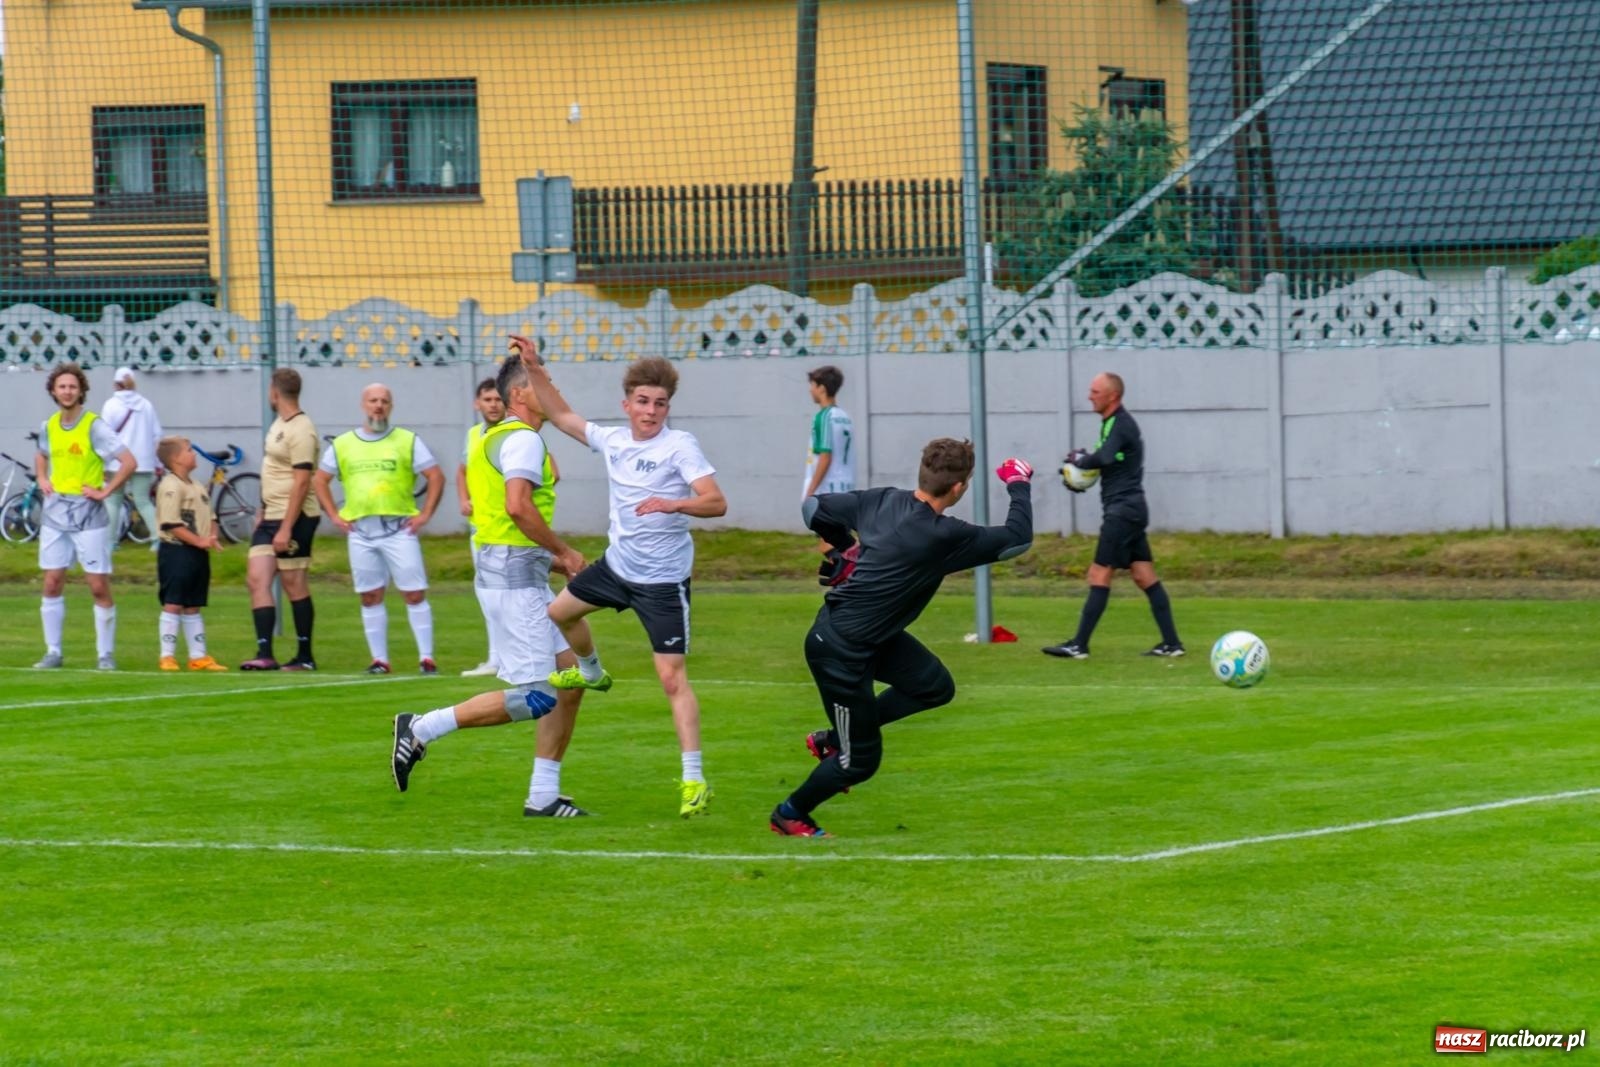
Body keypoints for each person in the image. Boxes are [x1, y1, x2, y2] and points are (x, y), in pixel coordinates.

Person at [770, 439, 1034, 837]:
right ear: (959, 488)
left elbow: (814, 508)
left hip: (870, 637)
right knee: (859, 761)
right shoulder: (944, 535)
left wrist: (842, 550)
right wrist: (1018, 483)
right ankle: (790, 813)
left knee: (933, 686)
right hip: (840, 652)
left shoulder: (882, 500)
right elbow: (1018, 539)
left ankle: (833, 738)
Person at [516, 337, 728, 819]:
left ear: (667, 407)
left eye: (660, 403)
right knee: (559, 612)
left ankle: (694, 780)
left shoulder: (680, 446)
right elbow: (561, 414)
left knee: (671, 679)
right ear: (626, 404)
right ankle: (591, 670)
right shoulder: (612, 439)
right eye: (643, 402)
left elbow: (716, 502)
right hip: (618, 567)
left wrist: (673, 503)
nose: (651, 411)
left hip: (662, 582)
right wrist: (533, 367)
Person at [390, 355, 595, 816]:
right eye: (541, 382)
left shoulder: (499, 436)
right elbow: (519, 508)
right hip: (512, 582)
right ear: (520, 395)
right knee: (538, 696)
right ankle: (422, 728)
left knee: (570, 682)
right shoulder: (521, 439)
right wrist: (564, 553)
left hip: (515, 573)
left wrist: (550, 560)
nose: (551, 390)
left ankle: (543, 796)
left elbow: (508, 518)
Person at [1042, 371, 1184, 661]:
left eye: (1095, 391)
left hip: (1123, 512)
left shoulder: (1120, 423)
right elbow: (1108, 458)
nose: (1089, 396)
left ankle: (1079, 645)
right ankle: (1172, 644)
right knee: (1144, 576)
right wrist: (1084, 466)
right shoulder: (1112, 424)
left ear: (1113, 396)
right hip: (1130, 510)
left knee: (1099, 573)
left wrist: (1079, 462)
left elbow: (1104, 457)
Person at [313, 383, 446, 675]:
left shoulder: (407, 440)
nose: (378, 406)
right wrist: (334, 515)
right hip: (360, 531)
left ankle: (427, 658)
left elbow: (435, 476)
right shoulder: (344, 443)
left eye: (384, 401)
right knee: (370, 594)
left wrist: (425, 515)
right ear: (363, 405)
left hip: (399, 528)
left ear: (391, 406)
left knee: (413, 592)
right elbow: (320, 479)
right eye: (373, 401)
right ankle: (380, 660)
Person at [32, 363, 136, 670]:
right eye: (62, 386)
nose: (67, 391)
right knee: (52, 582)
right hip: (54, 514)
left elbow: (128, 461)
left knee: (98, 586)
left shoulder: (95, 426)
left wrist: (105, 491)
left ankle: (105, 655)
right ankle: (53, 652)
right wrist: (41, 478)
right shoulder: (48, 425)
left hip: (88, 514)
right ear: (53, 391)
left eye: (72, 387)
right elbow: (41, 453)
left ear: (81, 391)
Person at [241, 368, 321, 671]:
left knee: (293, 582)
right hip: (270, 515)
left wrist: (287, 527)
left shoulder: (302, 428)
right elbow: (273, 470)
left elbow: (301, 482)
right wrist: (262, 508)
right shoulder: (279, 424)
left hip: (295, 517)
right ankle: (265, 653)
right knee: (256, 578)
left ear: (274, 392)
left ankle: (305, 657)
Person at [153, 435, 226, 671]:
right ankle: (167, 655)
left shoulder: (197, 486)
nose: (194, 453)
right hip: (176, 551)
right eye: (189, 450)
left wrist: (211, 537)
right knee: (173, 601)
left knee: (193, 603)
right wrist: (199, 540)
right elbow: (171, 524)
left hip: (197, 552)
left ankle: (198, 656)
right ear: (176, 459)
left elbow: (211, 516)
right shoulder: (171, 486)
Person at [457, 376, 511, 678]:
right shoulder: (473, 434)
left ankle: (515, 656)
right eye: (487, 399)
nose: (493, 405)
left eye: (498, 399)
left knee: (510, 597)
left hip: (506, 529)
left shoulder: (513, 434)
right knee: (487, 596)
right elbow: (462, 471)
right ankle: (495, 658)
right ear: (477, 403)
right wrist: (464, 499)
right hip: (480, 529)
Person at [101, 366, 164, 552]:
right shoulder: (146, 404)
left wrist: (103, 462)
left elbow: (104, 436)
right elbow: (156, 435)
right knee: (143, 500)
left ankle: (111, 542)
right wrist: (157, 462)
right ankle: (157, 538)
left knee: (113, 500)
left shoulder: (111, 405)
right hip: (143, 461)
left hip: (117, 462)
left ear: (115, 383)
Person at [802, 365, 856, 499]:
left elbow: (825, 456)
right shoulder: (845, 417)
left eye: (813, 385)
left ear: (821, 388)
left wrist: (810, 492)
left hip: (827, 489)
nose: (810, 390)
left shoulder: (824, 417)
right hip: (846, 486)